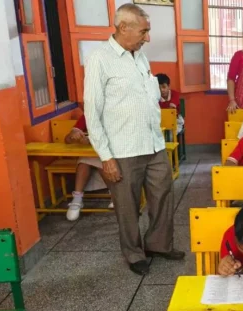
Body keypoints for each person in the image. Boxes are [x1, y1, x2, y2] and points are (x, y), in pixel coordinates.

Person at [84, 4, 184, 276]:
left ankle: (159, 245)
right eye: (144, 31)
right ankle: (133, 253)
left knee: (163, 195)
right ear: (123, 27)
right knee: (127, 206)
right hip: (123, 150)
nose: (147, 38)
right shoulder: (100, 59)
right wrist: (106, 157)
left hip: (153, 144)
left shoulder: (140, 57)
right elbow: (92, 113)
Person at [64, 113, 113, 221]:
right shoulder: (88, 115)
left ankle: (115, 194)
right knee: (84, 162)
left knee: (102, 161)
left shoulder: (116, 113)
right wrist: (74, 136)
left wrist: (90, 141)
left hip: (112, 154)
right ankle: (77, 199)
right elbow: (67, 140)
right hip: (92, 154)